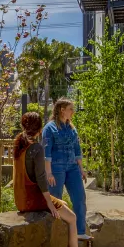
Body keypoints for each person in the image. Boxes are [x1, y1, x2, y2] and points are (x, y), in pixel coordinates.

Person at [13, 111, 80, 247]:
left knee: (63, 203)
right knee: (72, 218)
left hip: (20, 199)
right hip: (33, 199)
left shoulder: (19, 144)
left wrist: (53, 201)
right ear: (40, 129)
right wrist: (50, 203)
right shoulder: (36, 148)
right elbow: (41, 178)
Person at [43, 98, 87, 238]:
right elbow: (46, 151)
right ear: (62, 110)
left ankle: (80, 232)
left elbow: (77, 149)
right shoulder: (49, 128)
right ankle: (58, 233)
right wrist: (48, 172)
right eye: (70, 109)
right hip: (56, 168)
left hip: (72, 167)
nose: (72, 112)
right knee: (56, 200)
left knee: (80, 197)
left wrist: (81, 168)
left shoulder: (72, 128)